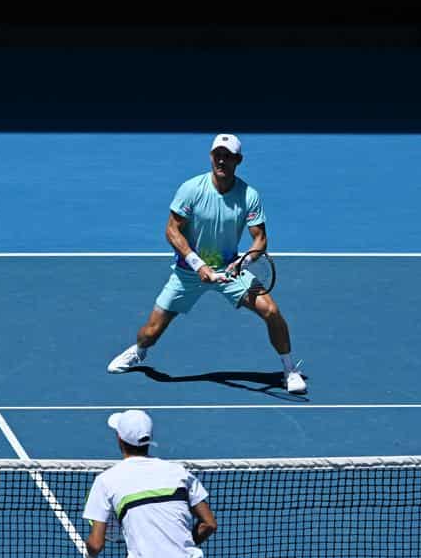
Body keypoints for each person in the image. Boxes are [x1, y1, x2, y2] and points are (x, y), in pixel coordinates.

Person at [107, 133, 307, 395]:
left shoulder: (249, 195)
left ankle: (290, 370)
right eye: (217, 155)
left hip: (229, 271)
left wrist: (242, 263)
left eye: (227, 156)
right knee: (150, 333)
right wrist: (198, 265)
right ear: (211, 157)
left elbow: (260, 239)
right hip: (188, 272)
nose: (221, 161)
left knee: (271, 311)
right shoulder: (192, 189)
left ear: (238, 160)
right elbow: (172, 231)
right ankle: (139, 352)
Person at [75, 409, 221, 558]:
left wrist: (90, 556)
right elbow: (209, 524)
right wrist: (174, 546)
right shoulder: (179, 472)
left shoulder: (106, 480)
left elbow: (96, 544)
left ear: (119, 439)